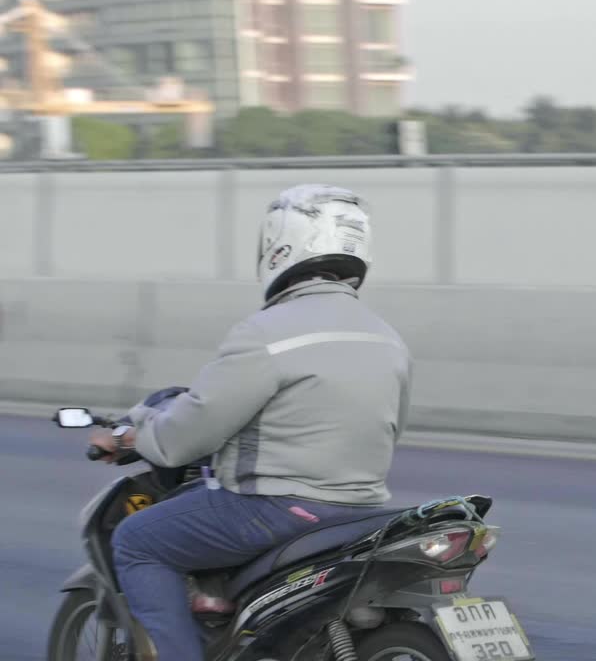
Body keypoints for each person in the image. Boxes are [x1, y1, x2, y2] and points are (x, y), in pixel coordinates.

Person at [88, 184, 412, 661]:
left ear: (280, 243)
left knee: (137, 540)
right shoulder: (387, 339)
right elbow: (389, 431)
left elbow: (190, 432)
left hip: (273, 511)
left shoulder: (265, 333)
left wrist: (140, 436)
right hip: (361, 510)